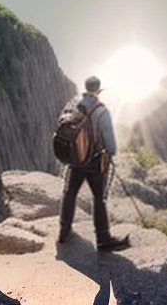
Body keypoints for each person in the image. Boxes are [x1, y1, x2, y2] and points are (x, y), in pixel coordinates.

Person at [57, 76, 129, 251]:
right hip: (94, 163)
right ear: (99, 91)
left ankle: (64, 231)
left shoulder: (73, 104)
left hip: (75, 160)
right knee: (99, 198)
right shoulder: (101, 111)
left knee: (70, 193)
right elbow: (111, 146)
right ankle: (103, 238)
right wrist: (109, 154)